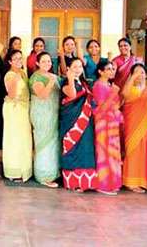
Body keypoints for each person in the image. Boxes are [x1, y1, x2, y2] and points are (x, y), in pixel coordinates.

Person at [59, 58, 97, 192]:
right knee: (72, 148)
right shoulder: (64, 82)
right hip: (71, 121)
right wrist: (69, 78)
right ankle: (73, 182)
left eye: (80, 66)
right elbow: (72, 94)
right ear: (68, 68)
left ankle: (87, 182)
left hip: (86, 121)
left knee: (85, 149)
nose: (78, 69)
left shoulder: (85, 83)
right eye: (74, 67)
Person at [121, 63, 147, 193]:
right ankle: (130, 182)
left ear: (146, 75)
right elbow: (125, 94)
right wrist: (132, 78)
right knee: (133, 151)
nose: (139, 75)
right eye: (136, 72)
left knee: (146, 152)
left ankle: (144, 181)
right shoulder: (130, 89)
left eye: (142, 72)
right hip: (132, 125)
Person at [29, 52, 60, 187]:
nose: (47, 64)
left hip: (53, 113)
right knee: (44, 144)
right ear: (37, 63)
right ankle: (43, 175)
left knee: (53, 144)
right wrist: (52, 81)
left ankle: (54, 173)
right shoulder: (36, 77)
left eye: (49, 61)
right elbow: (42, 95)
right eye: (43, 61)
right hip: (41, 114)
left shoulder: (53, 76)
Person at [92, 61, 123, 195]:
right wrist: (113, 93)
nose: (111, 71)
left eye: (112, 69)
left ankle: (113, 182)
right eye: (108, 69)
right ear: (100, 72)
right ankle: (103, 184)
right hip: (103, 123)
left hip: (112, 123)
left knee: (113, 153)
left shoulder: (109, 85)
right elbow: (102, 107)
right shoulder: (98, 86)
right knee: (104, 153)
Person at [2, 50, 33, 182]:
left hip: (24, 109)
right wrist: (15, 79)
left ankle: (24, 169)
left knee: (24, 139)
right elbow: (12, 94)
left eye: (20, 58)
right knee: (14, 139)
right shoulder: (10, 75)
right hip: (14, 109)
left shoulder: (23, 73)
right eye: (15, 59)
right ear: (10, 61)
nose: (19, 61)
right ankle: (14, 171)